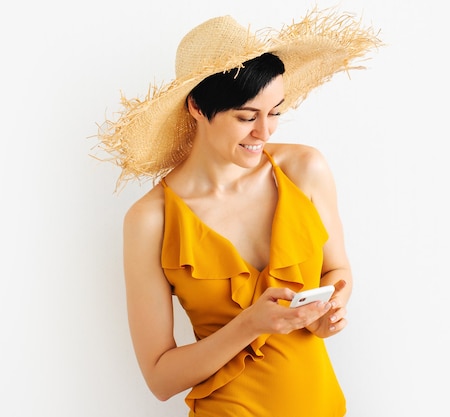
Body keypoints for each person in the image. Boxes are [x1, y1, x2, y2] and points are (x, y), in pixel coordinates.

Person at [96, 8, 380, 417]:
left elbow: (338, 272)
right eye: (247, 117)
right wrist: (251, 325)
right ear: (196, 107)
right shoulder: (150, 221)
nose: (265, 133)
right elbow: (160, 379)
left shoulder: (305, 170)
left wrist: (330, 310)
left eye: (276, 112)